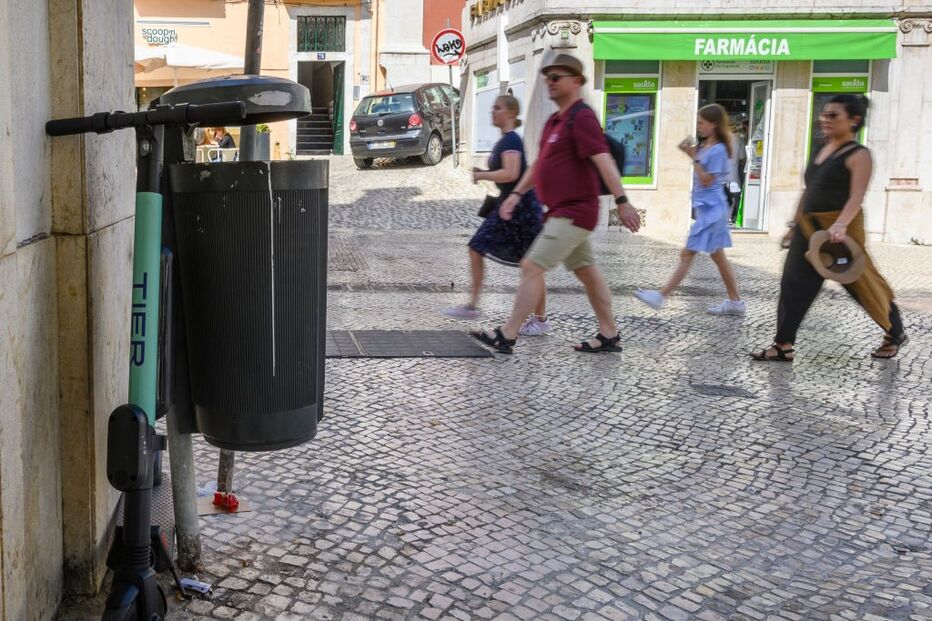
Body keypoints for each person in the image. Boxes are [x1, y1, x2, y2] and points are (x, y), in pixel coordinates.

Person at [469, 52, 641, 354]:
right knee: (587, 271)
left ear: (576, 82)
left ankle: (507, 334)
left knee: (531, 265)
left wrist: (622, 201)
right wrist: (517, 195)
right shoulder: (554, 121)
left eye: (556, 77)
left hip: (576, 212)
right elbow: (538, 167)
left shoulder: (582, 117)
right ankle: (609, 334)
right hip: (559, 211)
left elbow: (603, 161)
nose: (549, 82)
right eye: (546, 77)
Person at [751, 94, 908, 361]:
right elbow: (809, 190)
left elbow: (856, 196)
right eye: (824, 114)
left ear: (854, 120)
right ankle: (783, 345)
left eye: (833, 115)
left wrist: (840, 225)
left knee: (862, 284)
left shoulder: (859, 154)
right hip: (808, 228)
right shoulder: (821, 148)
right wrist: (793, 224)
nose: (825, 119)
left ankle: (895, 332)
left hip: (839, 230)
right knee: (793, 284)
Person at [442, 95, 550, 335]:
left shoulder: (511, 140)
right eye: (493, 107)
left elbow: (511, 173)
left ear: (511, 112)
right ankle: (475, 305)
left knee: (530, 265)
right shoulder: (506, 139)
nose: (493, 111)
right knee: (524, 263)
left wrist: (482, 175)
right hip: (511, 206)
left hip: (520, 209)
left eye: (498, 107)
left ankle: (538, 319)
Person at [633, 104, 745, 316]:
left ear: (714, 124)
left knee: (687, 254)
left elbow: (706, 180)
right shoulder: (708, 147)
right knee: (719, 257)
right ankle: (736, 302)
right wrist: (692, 153)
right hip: (707, 210)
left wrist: (693, 157)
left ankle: (661, 296)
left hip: (712, 211)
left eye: (702, 122)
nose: (699, 126)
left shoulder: (719, 149)